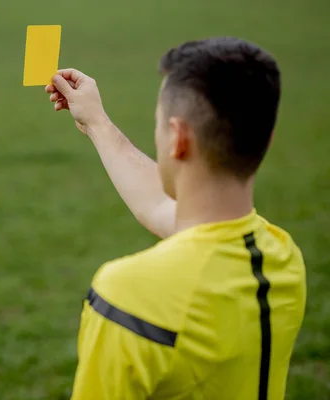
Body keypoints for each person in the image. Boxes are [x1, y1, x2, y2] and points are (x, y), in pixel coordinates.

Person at [45, 37, 306, 400]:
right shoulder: (282, 258)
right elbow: (163, 208)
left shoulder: (129, 294)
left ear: (178, 138)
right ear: (266, 138)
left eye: (159, 125)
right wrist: (96, 123)